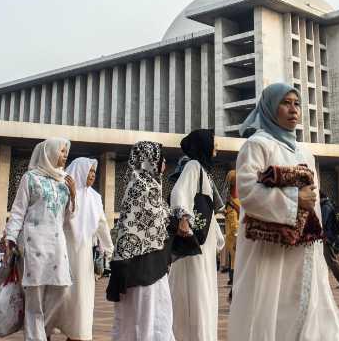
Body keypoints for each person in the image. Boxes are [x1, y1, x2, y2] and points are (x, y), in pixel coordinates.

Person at [228, 83, 339, 340]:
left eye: (297, 103)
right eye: (286, 103)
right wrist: (295, 199)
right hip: (270, 248)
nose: (293, 109)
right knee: (271, 307)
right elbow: (249, 193)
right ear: (271, 108)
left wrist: (316, 237)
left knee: (310, 306)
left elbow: (314, 200)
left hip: (304, 248)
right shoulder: (256, 145)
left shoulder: (304, 150)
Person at [5, 138, 76, 341]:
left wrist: (73, 195)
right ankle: (35, 337)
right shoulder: (31, 178)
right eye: (62, 151)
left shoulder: (64, 180)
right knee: (34, 297)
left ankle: (41, 333)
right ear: (50, 153)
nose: (65, 155)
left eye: (65, 151)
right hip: (33, 242)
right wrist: (10, 239)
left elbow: (69, 218)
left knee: (62, 290)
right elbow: (18, 211)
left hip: (56, 243)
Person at [107, 141, 175, 341]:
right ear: (150, 161)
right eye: (160, 158)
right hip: (141, 267)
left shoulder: (149, 185)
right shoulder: (142, 187)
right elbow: (154, 224)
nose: (164, 163)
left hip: (152, 266)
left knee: (154, 317)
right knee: (143, 319)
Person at [169, 130, 225, 341]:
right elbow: (179, 193)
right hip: (195, 241)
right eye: (214, 144)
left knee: (204, 289)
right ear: (203, 145)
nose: (216, 148)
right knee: (196, 290)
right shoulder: (193, 166)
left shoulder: (203, 169)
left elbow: (207, 209)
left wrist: (218, 238)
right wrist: (184, 218)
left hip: (204, 242)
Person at [57, 157, 113, 341]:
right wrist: (72, 195)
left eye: (94, 173)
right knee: (60, 294)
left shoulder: (95, 197)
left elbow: (102, 224)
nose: (92, 176)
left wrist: (109, 249)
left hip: (83, 256)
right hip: (63, 250)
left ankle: (77, 334)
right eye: (89, 171)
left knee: (82, 296)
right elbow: (62, 218)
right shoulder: (63, 191)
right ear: (79, 171)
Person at [320, 192, 339, 288]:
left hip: (327, 237)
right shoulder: (330, 204)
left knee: (331, 261)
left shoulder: (325, 207)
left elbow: (322, 222)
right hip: (331, 236)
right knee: (330, 260)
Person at [223, 169, 240, 290]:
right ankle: (233, 279)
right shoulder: (232, 203)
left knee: (233, 257)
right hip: (235, 236)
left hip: (233, 235)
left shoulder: (232, 202)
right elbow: (234, 225)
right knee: (234, 257)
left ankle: (232, 278)